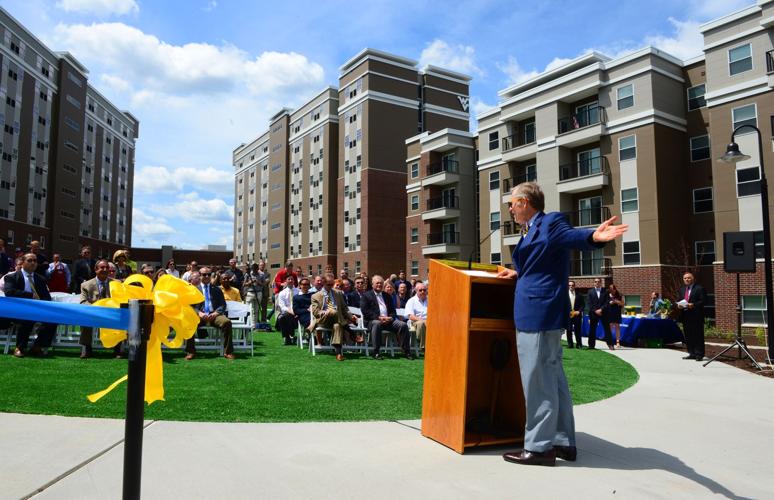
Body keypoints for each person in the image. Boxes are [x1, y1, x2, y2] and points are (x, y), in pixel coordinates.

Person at [497, 182, 627, 466]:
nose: (509, 208)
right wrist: (516, 272)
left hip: (539, 313)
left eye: (512, 202)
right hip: (537, 309)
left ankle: (540, 447)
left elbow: (572, 236)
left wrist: (594, 235)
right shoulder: (530, 230)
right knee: (553, 380)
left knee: (537, 381)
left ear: (526, 202)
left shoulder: (550, 222)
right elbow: (540, 264)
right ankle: (563, 442)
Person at [3, 253, 57, 357]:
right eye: (30, 260)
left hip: (37, 310)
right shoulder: (12, 277)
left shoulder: (40, 279)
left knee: (53, 320)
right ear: (22, 262)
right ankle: (20, 348)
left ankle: (37, 346)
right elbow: (9, 292)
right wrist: (30, 295)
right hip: (17, 311)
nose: (33, 263)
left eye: (35, 261)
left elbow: (46, 297)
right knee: (27, 318)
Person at [184, 268, 235, 360]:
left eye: (208, 274)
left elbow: (222, 304)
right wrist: (199, 313)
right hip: (199, 315)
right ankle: (190, 351)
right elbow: (189, 306)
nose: (207, 276)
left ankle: (228, 352)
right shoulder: (194, 289)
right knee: (189, 323)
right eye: (204, 274)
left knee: (227, 322)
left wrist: (216, 313)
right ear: (199, 275)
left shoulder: (216, 289)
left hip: (214, 315)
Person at [360, 274, 412, 360]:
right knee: (377, 324)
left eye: (381, 283)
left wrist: (391, 318)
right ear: (372, 284)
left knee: (403, 325)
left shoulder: (387, 296)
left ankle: (407, 351)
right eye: (377, 283)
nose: (379, 285)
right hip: (373, 321)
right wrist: (379, 318)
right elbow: (365, 311)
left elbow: (392, 311)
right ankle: (376, 352)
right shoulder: (366, 296)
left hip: (388, 321)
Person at [79, 260, 122, 358]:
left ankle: (117, 349)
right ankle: (87, 348)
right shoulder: (86, 285)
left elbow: (120, 300)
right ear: (96, 269)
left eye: (107, 267)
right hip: (94, 313)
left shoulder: (116, 283)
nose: (105, 270)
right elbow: (83, 302)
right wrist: (96, 309)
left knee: (121, 317)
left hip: (111, 313)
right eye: (102, 267)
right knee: (85, 319)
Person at [309, 273, 357, 360]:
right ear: (323, 283)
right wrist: (324, 312)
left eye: (332, 284)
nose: (331, 286)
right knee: (333, 311)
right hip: (323, 320)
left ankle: (338, 353)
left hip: (337, 320)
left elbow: (344, 308)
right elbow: (315, 312)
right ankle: (351, 332)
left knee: (337, 325)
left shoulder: (338, 293)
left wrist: (351, 316)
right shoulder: (315, 296)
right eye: (328, 284)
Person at [677, 272, 706, 361]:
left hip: (696, 316)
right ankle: (691, 353)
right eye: (685, 278)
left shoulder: (699, 288)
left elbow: (704, 301)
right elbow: (679, 300)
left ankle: (699, 354)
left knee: (697, 336)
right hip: (685, 316)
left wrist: (693, 305)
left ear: (693, 279)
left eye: (689, 278)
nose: (687, 279)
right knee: (688, 336)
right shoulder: (682, 289)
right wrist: (678, 305)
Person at [586, 277, 613, 350]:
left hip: (604, 313)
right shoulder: (590, 291)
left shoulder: (605, 291)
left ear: (601, 283)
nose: (597, 283)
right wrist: (595, 310)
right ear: (594, 283)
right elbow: (589, 303)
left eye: (598, 281)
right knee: (592, 329)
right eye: (595, 281)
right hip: (593, 313)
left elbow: (607, 302)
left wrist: (601, 309)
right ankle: (591, 345)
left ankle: (610, 344)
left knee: (607, 329)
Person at [275, 275, 299, 345]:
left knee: (284, 317)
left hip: (297, 313)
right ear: (286, 281)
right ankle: (287, 337)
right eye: (289, 279)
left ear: (294, 281)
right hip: (287, 313)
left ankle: (289, 337)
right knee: (281, 317)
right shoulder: (282, 293)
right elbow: (282, 307)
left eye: (292, 279)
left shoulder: (298, 291)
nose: (291, 281)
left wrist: (295, 311)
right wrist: (291, 311)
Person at [404, 282, 428, 349]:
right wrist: (423, 320)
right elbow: (410, 316)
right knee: (421, 323)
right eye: (420, 290)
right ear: (416, 291)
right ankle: (423, 346)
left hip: (429, 321)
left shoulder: (430, 300)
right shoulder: (411, 301)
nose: (422, 292)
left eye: (424, 290)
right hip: (415, 321)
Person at [567, 281, 584, 349]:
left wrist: (579, 311)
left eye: (572, 285)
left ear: (574, 286)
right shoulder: (565, 295)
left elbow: (583, 305)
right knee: (569, 330)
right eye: (569, 285)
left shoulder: (579, 294)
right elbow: (562, 305)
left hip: (577, 315)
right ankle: (570, 344)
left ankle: (579, 344)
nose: (571, 286)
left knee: (578, 330)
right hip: (568, 315)